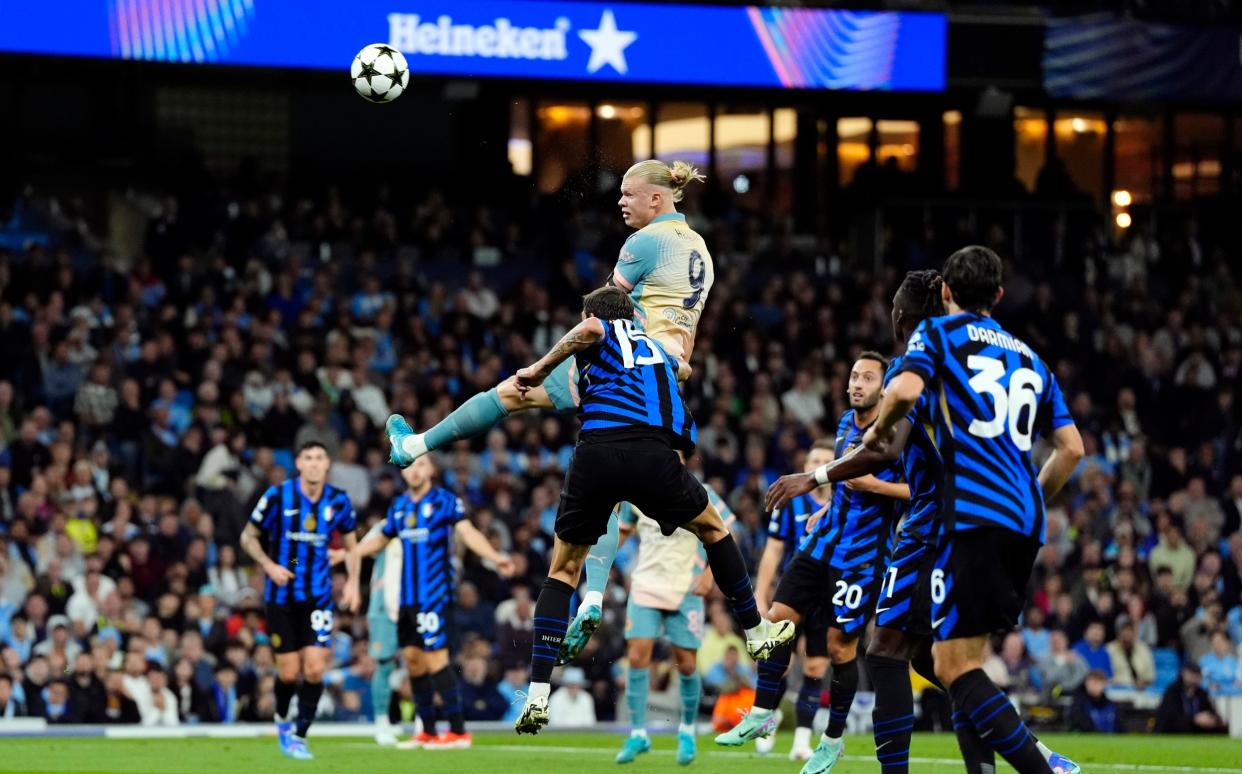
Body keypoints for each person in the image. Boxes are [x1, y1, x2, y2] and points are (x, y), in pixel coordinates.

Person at [508, 287, 793, 735]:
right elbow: (684, 368)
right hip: (653, 455)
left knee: (562, 572)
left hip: (599, 450)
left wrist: (537, 368)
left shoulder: (600, 327)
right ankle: (755, 631)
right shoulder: (653, 345)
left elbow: (588, 330)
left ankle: (539, 693)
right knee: (715, 529)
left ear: (593, 313)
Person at [864, 246, 1085, 774]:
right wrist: (1029, 497)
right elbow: (1072, 448)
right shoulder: (1030, 356)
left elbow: (906, 389)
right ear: (1000, 295)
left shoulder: (937, 335)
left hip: (971, 517)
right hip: (1027, 517)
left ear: (945, 292)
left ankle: (1040, 767)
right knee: (953, 658)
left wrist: (878, 425)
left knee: (953, 664)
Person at [386, 159, 712, 466]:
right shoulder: (700, 249)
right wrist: (679, 366)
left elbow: (601, 311)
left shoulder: (645, 241)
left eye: (628, 194)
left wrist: (549, 363)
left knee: (514, 392)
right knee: (619, 475)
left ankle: (414, 446)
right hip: (664, 375)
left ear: (655, 199)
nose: (620, 202)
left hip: (623, 365)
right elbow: (689, 326)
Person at [715, 352, 908, 774]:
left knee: (840, 648)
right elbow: (841, 477)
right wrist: (828, 506)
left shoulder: (897, 432)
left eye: (868, 378)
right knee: (778, 620)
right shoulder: (842, 424)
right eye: (854, 376)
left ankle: (832, 740)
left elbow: (919, 491)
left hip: (859, 557)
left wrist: (874, 485)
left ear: (885, 387)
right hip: (821, 543)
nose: (857, 384)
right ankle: (764, 711)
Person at [342, 455, 514, 750]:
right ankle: (429, 732)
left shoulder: (445, 501)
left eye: (421, 464)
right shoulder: (400, 506)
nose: (414, 470)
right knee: (413, 661)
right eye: (409, 466)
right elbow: (380, 539)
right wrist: (350, 554)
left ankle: (459, 732)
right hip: (406, 600)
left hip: (434, 597)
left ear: (431, 469)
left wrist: (495, 557)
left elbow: (468, 532)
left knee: (436, 661)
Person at [240, 441, 358, 760]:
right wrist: (268, 566)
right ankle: (282, 721)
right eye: (308, 458)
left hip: (318, 597)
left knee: (316, 669)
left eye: (320, 457)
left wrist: (354, 583)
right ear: (299, 463)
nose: (315, 463)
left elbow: (353, 545)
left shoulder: (339, 500)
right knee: (289, 673)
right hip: (282, 592)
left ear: (327, 464)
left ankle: (300, 735)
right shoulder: (278, 496)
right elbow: (247, 536)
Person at [605, 491, 735, 766]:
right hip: (645, 586)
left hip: (686, 587)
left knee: (687, 664)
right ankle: (638, 733)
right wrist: (596, 558)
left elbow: (725, 530)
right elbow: (622, 533)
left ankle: (687, 731)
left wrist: (710, 574)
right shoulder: (635, 494)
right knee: (638, 658)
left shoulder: (702, 491)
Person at [753, 440, 834, 761]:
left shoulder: (847, 501)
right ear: (806, 465)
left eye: (826, 461)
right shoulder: (793, 503)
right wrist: (761, 593)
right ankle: (769, 719)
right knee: (780, 664)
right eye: (814, 459)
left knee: (815, 667)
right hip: (794, 593)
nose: (818, 465)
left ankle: (801, 740)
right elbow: (773, 549)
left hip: (829, 596)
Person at [1155, 663, 1225, 733]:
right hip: (1175, 729)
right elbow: (1170, 716)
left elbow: (1211, 711)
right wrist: (1194, 719)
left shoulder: (1201, 693)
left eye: (1196, 675)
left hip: (1197, 730)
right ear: (1183, 674)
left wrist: (1212, 719)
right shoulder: (1173, 691)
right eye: (1191, 674)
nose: (1194, 678)